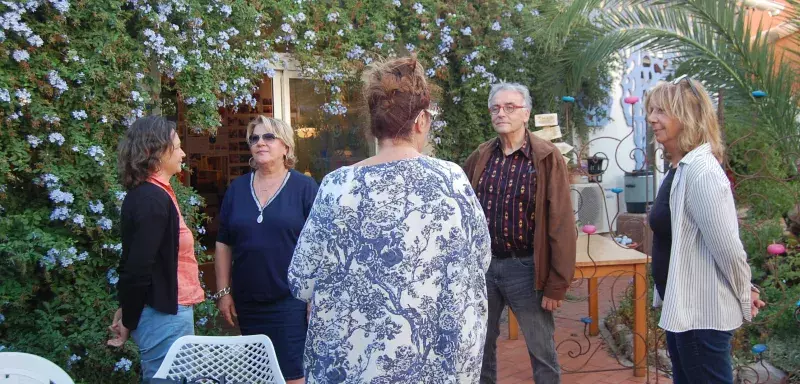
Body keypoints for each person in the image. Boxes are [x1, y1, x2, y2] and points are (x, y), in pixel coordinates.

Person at [288, 57, 492, 382]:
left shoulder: (337, 186)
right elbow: (479, 259)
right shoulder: (451, 181)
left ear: (374, 123)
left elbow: (301, 281)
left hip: (354, 369)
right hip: (432, 367)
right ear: (421, 120)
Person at [646, 76, 765, 383]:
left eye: (660, 111)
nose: (651, 119)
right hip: (683, 310)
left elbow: (728, 248)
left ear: (686, 118)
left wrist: (744, 292)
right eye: (651, 110)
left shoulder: (702, 173)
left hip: (701, 316)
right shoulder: (681, 168)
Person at [463, 82, 577, 384]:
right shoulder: (482, 155)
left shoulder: (546, 157)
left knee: (542, 351)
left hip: (525, 268)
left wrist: (556, 284)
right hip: (485, 269)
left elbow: (561, 224)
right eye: (496, 108)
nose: (501, 113)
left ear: (526, 113)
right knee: (480, 349)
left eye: (510, 107)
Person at [213, 116, 317, 384]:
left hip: (291, 301)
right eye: (254, 138)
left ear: (286, 147)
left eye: (268, 137)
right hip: (248, 303)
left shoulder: (304, 188)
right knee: (257, 375)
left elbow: (320, 245)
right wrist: (224, 292)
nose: (260, 143)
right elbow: (224, 241)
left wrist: (315, 296)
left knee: (293, 376)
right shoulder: (237, 189)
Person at [108, 116, 205, 381]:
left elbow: (134, 262)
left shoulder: (157, 194)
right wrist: (129, 316)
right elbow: (138, 268)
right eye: (177, 145)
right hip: (164, 316)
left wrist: (126, 310)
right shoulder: (151, 199)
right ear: (155, 151)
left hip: (167, 313)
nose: (183, 152)